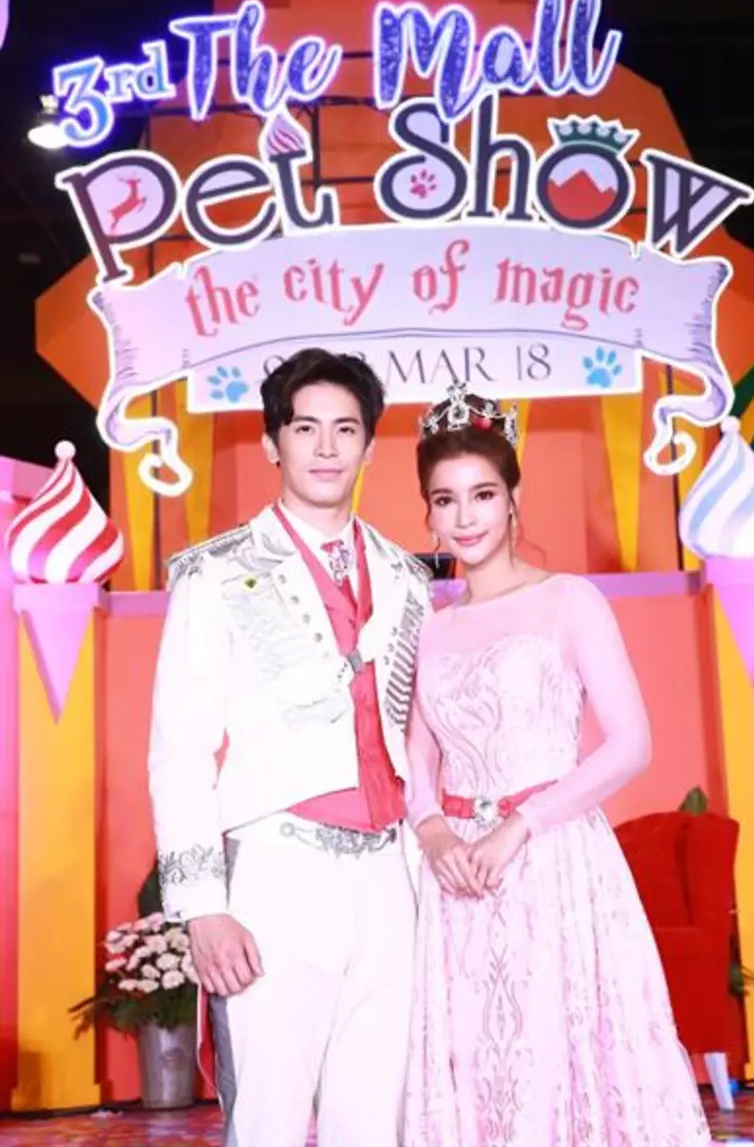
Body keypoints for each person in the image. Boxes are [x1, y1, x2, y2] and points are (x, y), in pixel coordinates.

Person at [403, 384, 711, 1146]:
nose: (465, 515)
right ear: (429, 513)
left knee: (560, 1062)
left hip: (552, 860)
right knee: (478, 1065)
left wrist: (521, 825)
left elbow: (631, 743)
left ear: (514, 498)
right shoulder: (431, 629)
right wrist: (435, 834)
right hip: (460, 880)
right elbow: (417, 758)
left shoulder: (570, 600)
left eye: (482, 493)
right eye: (445, 499)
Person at [147, 349, 431, 1147]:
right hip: (276, 871)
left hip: (388, 875)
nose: (326, 446)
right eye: (306, 428)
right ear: (274, 442)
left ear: (370, 446)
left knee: (374, 1122)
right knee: (268, 1118)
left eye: (346, 429)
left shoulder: (406, 578)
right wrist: (203, 907)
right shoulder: (215, 574)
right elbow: (180, 749)